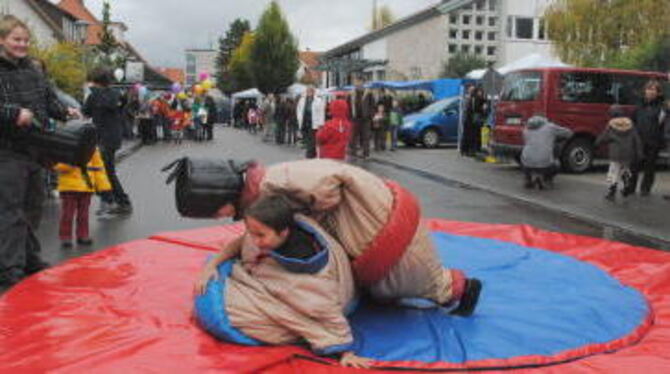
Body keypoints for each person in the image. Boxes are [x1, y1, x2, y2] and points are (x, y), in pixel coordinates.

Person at [184, 158, 482, 316]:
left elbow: (328, 187)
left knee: (424, 280)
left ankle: (462, 290)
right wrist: (215, 263)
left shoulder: (275, 186)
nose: (219, 218)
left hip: (382, 235)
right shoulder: (267, 188)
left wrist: (308, 219)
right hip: (377, 222)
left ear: (221, 201)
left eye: (215, 213)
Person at [195, 195, 372, 369]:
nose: (254, 240)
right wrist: (212, 265)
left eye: (260, 235)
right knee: (212, 281)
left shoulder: (310, 275)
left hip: (332, 294)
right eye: (250, 231)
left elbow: (328, 310)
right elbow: (241, 242)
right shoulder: (271, 230)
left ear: (284, 232)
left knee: (219, 307)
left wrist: (345, 352)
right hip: (275, 282)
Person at [0, 15, 79, 288]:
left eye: (25, 40)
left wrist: (65, 111)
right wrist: (12, 114)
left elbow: (48, 99)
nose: (22, 44)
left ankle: (29, 257)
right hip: (7, 150)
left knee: (33, 207)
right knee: (10, 210)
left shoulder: (34, 69)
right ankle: (9, 268)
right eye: (16, 39)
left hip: (34, 148)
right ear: (2, 40)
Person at [82, 68, 133, 215]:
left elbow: (107, 106)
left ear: (97, 81)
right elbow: (87, 111)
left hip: (107, 138)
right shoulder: (101, 95)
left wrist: (93, 93)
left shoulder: (105, 94)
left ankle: (120, 201)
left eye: (91, 81)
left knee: (106, 171)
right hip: (105, 137)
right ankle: (112, 200)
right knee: (103, 170)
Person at [54, 148, 111, 248]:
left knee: (83, 214)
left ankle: (82, 235)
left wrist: (103, 186)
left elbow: (98, 167)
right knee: (68, 214)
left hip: (86, 187)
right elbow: (56, 165)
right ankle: (66, 237)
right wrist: (69, 165)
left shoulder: (92, 147)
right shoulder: (67, 144)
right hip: (70, 187)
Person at [625, 80, 666, 197]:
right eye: (649, 89)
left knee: (650, 167)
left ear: (658, 93)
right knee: (634, 165)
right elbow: (632, 121)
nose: (650, 92)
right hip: (638, 141)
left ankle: (645, 189)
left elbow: (663, 124)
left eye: (653, 89)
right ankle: (631, 187)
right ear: (645, 91)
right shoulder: (639, 105)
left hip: (654, 141)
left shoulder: (662, 107)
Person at [595, 106, 643, 202]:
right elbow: (636, 139)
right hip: (628, 153)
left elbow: (604, 136)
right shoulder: (630, 124)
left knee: (614, 172)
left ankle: (612, 192)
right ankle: (626, 187)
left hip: (615, 154)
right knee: (625, 170)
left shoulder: (611, 125)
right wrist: (639, 152)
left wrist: (597, 143)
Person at [521, 115, 573, 190]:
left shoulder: (526, 129)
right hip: (545, 164)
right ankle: (546, 180)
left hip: (526, 164)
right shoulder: (550, 127)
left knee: (527, 155)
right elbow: (569, 133)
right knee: (557, 164)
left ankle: (528, 179)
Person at [348, 79, 375, 159]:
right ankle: (353, 152)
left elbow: (373, 105)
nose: (358, 84)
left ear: (363, 83)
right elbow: (348, 105)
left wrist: (370, 115)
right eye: (356, 82)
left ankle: (366, 153)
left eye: (359, 82)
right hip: (355, 117)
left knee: (365, 136)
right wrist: (350, 116)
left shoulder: (368, 93)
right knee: (353, 136)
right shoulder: (351, 94)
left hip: (365, 119)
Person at [297, 86, 326, 158]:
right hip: (304, 122)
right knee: (307, 139)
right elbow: (299, 110)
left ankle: (309, 154)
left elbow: (321, 112)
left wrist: (321, 123)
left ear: (314, 92)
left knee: (312, 139)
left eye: (311, 91)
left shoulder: (318, 100)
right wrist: (299, 119)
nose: (309, 93)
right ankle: (312, 153)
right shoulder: (302, 100)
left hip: (314, 123)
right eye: (308, 91)